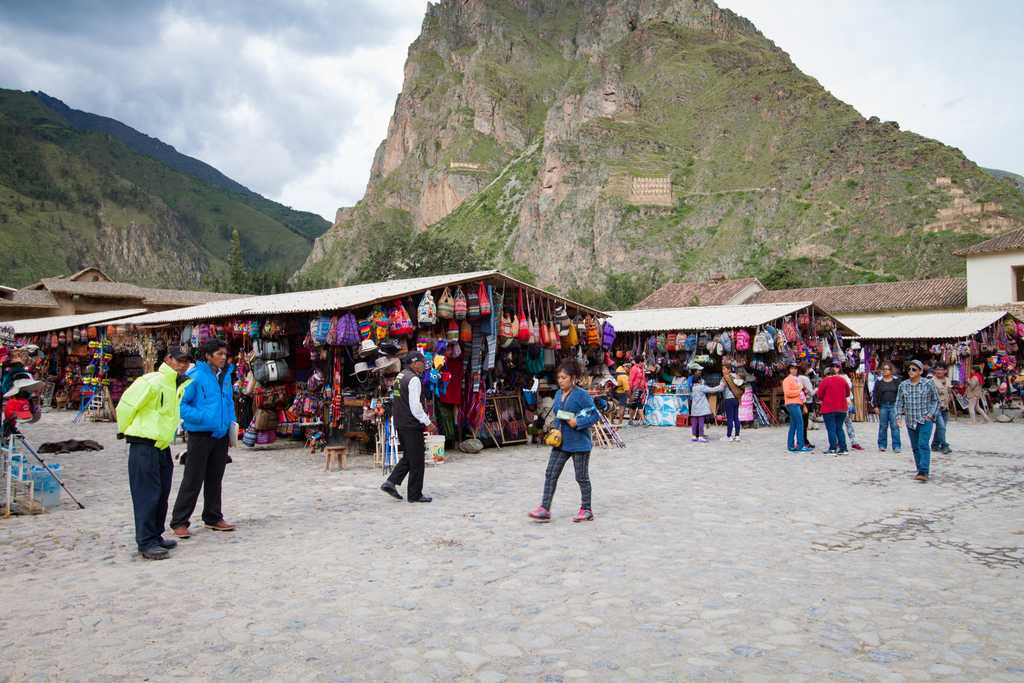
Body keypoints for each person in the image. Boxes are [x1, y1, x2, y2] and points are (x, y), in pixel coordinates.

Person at [115, 349, 192, 560]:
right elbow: (126, 405)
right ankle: (145, 541)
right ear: (168, 360)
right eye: (180, 360)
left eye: (187, 362)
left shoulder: (177, 385)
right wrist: (128, 430)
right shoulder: (152, 381)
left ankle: (155, 534)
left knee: (161, 493)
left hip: (161, 445)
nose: (183, 365)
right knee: (146, 495)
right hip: (144, 443)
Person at [170, 339, 237, 537]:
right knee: (193, 479)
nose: (223, 358)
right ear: (208, 356)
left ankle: (213, 516)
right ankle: (179, 521)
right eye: (219, 354)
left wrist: (231, 425)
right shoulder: (196, 376)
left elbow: (228, 402)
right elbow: (180, 404)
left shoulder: (225, 376)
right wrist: (203, 418)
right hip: (200, 434)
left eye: (225, 354)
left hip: (220, 434)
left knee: (215, 478)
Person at [529, 360, 600, 522]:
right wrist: (553, 427)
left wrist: (578, 422)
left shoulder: (581, 395)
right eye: (559, 377)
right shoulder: (558, 395)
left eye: (564, 377)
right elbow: (559, 415)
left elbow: (594, 415)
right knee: (550, 473)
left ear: (573, 378)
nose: (560, 380)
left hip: (580, 444)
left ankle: (586, 509)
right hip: (561, 442)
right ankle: (544, 509)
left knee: (581, 477)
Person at [381, 351, 434, 503]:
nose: (424, 365)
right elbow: (415, 407)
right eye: (422, 362)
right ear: (414, 363)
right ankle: (414, 494)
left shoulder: (401, 376)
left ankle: (390, 482)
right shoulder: (414, 380)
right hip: (411, 424)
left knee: (410, 456)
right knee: (417, 459)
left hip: (400, 422)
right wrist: (427, 422)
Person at [894, 359, 940, 482]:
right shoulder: (903, 385)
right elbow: (899, 402)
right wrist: (898, 417)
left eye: (914, 369)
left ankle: (924, 471)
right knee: (915, 447)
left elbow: (936, 400)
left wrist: (930, 414)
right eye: (909, 369)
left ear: (920, 371)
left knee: (923, 444)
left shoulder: (928, 383)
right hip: (910, 420)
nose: (911, 371)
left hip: (924, 420)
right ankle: (920, 468)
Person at [816, 366, 850, 455]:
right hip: (842, 408)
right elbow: (847, 393)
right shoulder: (842, 380)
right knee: (839, 428)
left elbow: (819, 395)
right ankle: (843, 448)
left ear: (826, 374)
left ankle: (832, 448)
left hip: (829, 408)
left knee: (831, 429)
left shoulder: (825, 381)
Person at [872, 362, 902, 453]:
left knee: (895, 426)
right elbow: (875, 394)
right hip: (883, 406)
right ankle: (882, 445)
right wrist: (876, 406)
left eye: (887, 369)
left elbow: (901, 394)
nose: (885, 371)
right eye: (883, 369)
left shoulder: (897, 381)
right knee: (883, 426)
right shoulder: (879, 381)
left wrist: (901, 406)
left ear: (891, 370)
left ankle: (896, 446)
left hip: (894, 406)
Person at [782, 364, 811, 452]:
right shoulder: (787, 380)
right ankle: (800, 445)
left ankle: (791, 445)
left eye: (795, 369)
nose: (794, 370)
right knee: (800, 424)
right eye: (792, 368)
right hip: (792, 403)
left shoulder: (796, 380)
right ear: (789, 370)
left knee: (794, 425)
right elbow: (787, 393)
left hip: (796, 403)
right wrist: (799, 391)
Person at [689, 375, 724, 443]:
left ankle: (694, 436)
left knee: (694, 423)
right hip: (701, 410)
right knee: (701, 423)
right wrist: (721, 385)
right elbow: (712, 390)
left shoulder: (693, 388)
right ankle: (701, 436)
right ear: (699, 380)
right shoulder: (701, 387)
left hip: (694, 410)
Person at [930, 366, 953, 454]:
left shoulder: (948, 380)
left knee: (940, 428)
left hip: (945, 407)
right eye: (937, 369)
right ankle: (944, 445)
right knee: (942, 427)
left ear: (945, 371)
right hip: (936, 408)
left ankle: (935, 445)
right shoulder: (931, 381)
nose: (939, 371)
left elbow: (949, 392)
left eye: (941, 369)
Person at [841, 369, 863, 450]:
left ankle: (853, 441)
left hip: (845, 403)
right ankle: (838, 442)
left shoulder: (845, 377)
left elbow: (848, 390)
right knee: (839, 425)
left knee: (848, 423)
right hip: (839, 404)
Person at [721, 365, 744, 442]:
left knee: (730, 418)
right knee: (736, 418)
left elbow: (721, 388)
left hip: (728, 400)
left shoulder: (724, 378)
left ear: (729, 370)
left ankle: (729, 436)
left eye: (724, 369)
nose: (723, 370)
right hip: (736, 399)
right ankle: (737, 436)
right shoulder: (736, 376)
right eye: (722, 369)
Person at [797, 365, 816, 449]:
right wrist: (817, 389)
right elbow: (811, 392)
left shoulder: (797, 378)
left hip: (798, 401)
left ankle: (801, 440)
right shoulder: (805, 379)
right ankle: (804, 441)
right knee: (805, 423)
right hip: (806, 402)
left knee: (800, 422)